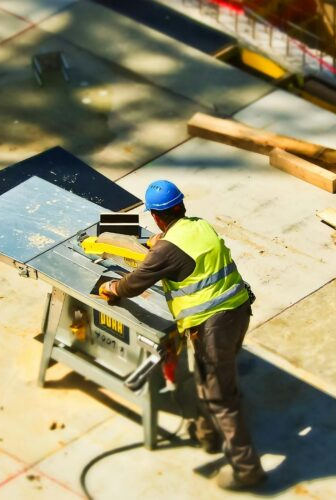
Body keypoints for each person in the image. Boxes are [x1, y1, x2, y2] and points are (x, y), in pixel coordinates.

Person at [98, 180, 267, 491]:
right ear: (181, 206)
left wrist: (111, 287)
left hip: (212, 326)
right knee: (209, 377)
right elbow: (182, 247)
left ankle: (247, 469)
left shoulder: (165, 251)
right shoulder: (198, 226)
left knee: (221, 397)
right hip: (239, 311)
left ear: (156, 216)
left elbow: (134, 285)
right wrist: (162, 242)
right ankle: (208, 435)